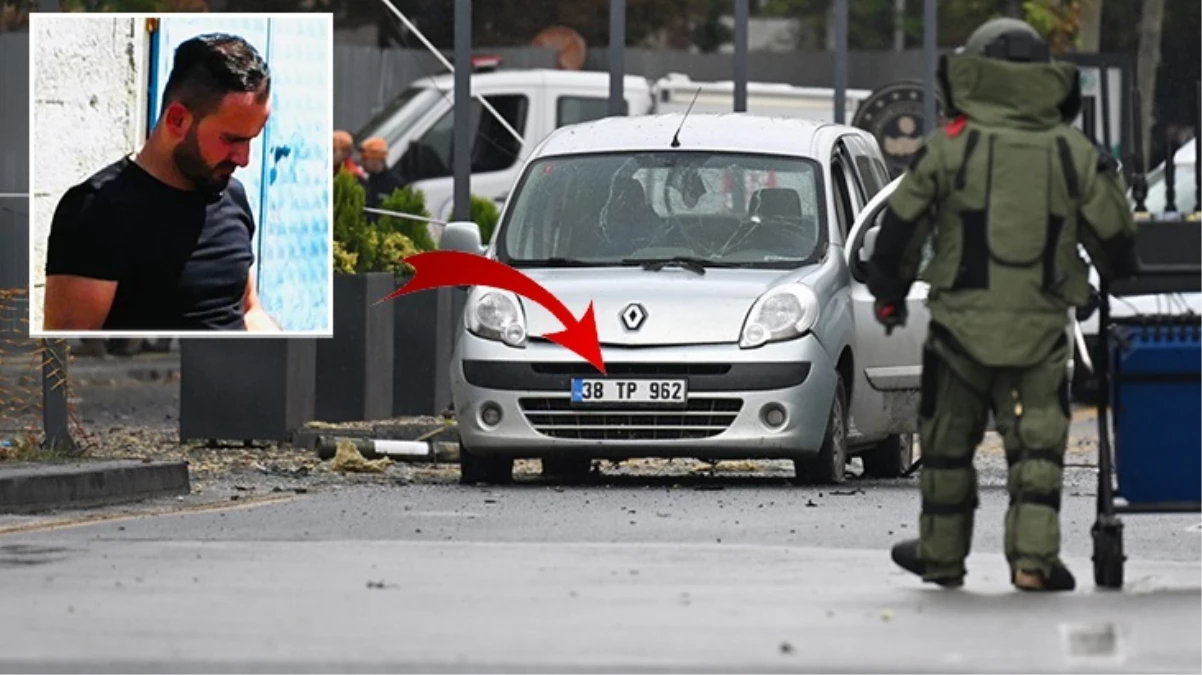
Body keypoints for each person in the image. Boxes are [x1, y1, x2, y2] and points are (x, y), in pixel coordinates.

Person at [865, 17, 1138, 592]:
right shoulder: (1073, 152)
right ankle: (1033, 562)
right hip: (1041, 330)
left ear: (976, 73)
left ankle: (942, 556)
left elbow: (900, 229)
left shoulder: (950, 148)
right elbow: (1116, 240)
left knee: (946, 443)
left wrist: (890, 294)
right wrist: (1107, 279)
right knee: (1038, 447)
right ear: (1046, 78)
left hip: (958, 330)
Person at [43, 32, 280, 332]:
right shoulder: (97, 210)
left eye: (250, 140)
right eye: (231, 139)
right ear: (178, 120)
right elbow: (66, 359)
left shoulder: (231, 195)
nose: (244, 158)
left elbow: (248, 310)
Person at [359, 136, 404, 212]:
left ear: (376, 159)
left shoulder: (396, 184)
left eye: (365, 159)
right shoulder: (365, 181)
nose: (362, 163)